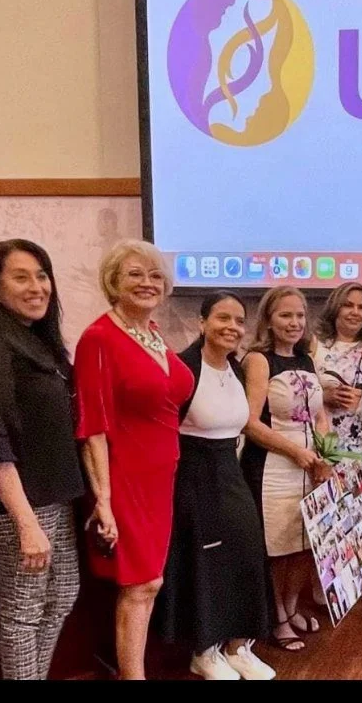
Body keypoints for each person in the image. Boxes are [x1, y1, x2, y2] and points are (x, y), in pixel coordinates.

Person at [0, 239, 86, 679]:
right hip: (21, 503)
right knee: (24, 610)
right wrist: (25, 522)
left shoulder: (34, 340)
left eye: (42, 275)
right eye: (21, 276)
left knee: (63, 592)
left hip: (53, 495)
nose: (36, 287)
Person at [74, 240, 195, 680]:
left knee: (150, 583)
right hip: (124, 479)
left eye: (155, 275)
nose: (148, 283)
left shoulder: (153, 333)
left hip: (160, 479)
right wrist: (103, 500)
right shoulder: (99, 338)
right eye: (135, 274)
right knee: (140, 585)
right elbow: (92, 427)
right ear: (113, 282)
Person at [154, 291, 276, 680]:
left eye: (239, 321)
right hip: (192, 476)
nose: (232, 327)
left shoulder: (236, 369)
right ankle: (204, 652)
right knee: (206, 564)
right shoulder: (183, 368)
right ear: (202, 322)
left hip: (230, 470)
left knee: (246, 553)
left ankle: (238, 646)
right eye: (222, 318)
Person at [240, 286, 333, 651]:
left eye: (299, 315)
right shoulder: (258, 360)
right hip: (273, 468)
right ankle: (277, 616)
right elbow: (250, 421)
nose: (294, 323)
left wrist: (327, 452)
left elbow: (320, 413)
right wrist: (296, 452)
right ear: (269, 319)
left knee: (305, 545)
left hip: (311, 467)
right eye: (285, 315)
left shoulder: (306, 358)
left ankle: (292, 607)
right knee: (278, 548)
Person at [313, 282, 362, 455]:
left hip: (354, 446)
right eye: (348, 305)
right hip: (318, 442)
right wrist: (324, 396)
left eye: (361, 307)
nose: (355, 312)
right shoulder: (315, 346)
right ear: (335, 308)